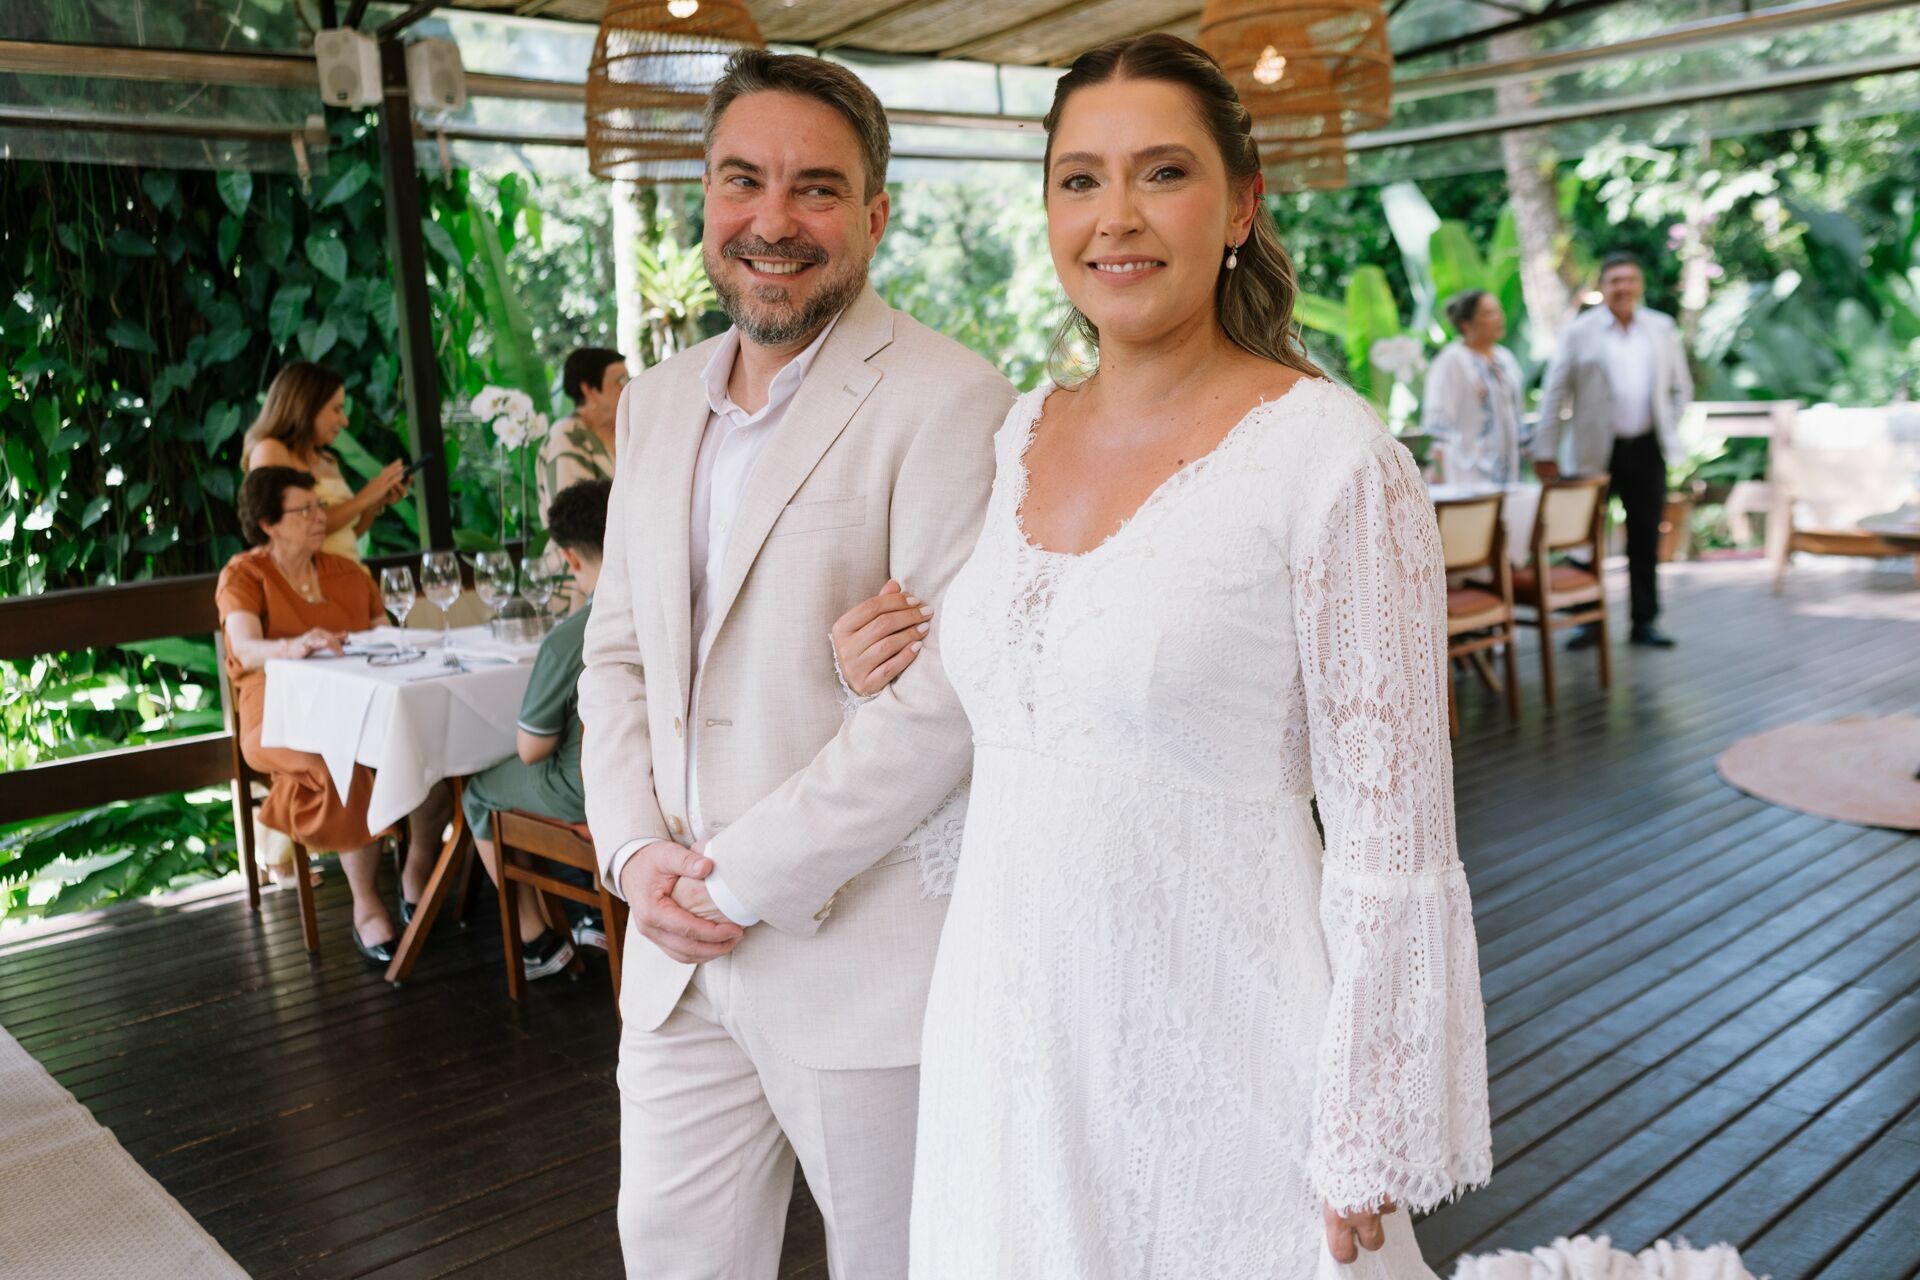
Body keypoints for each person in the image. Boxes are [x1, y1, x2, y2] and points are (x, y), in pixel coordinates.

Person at [830, 35, 1491, 1278]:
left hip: (1224, 1040)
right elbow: (1033, 710)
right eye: (1079, 179)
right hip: (1011, 1028)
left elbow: (1395, 836)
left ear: (1242, 203)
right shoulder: (1021, 428)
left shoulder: (1335, 460)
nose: (1115, 217)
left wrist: (1366, 1123)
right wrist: (881, 663)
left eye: (1163, 173)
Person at [576, 50, 1015, 1280]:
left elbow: (942, 707)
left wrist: (741, 877)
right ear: (703, 199)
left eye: (817, 189)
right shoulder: (656, 401)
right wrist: (632, 853)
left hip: (862, 965)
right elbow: (616, 652)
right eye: (743, 182)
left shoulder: (953, 398)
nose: (773, 221)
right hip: (671, 955)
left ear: (875, 214)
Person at [216, 466, 453, 965]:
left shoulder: (349, 574)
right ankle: (366, 907)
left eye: (320, 507)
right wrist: (294, 645)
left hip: (362, 704)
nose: (320, 517)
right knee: (341, 763)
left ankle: (418, 866)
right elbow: (245, 648)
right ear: (268, 523)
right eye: (304, 510)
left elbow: (386, 638)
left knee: (434, 746)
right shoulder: (244, 574)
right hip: (275, 715)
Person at [460, 478, 611, 982]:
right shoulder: (670, 610)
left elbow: (531, 749)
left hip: (586, 792)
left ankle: (536, 940)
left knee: (479, 791)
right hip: (657, 776)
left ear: (570, 559)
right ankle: (596, 916)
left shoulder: (569, 639)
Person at [1532, 252, 1694, 649]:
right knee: (1584, 539)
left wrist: (1667, 424)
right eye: (1615, 281)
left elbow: (1680, 389)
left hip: (1646, 448)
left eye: (1630, 280)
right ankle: (1586, 620)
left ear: (1639, 286)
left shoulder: (1660, 327)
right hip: (1592, 453)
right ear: (1601, 287)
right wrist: (1545, 448)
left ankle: (1645, 621)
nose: (1623, 288)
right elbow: (1555, 393)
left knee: (1644, 537)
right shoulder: (1579, 332)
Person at [241, 362, 408, 563]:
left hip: (347, 576)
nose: (345, 421)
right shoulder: (270, 450)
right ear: (307, 407)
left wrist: (375, 501)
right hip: (310, 586)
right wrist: (366, 496)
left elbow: (346, 536)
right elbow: (290, 527)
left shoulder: (327, 460)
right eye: (336, 410)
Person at [1424, 289, 1524, 488]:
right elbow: (1438, 422)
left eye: (1498, 311)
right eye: (1488, 313)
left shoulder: (1505, 359)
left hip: (1508, 470)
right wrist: (1437, 473)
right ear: (1466, 324)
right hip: (1466, 471)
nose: (1499, 318)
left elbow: (1517, 414)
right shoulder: (1451, 361)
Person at [536, 347, 626, 523]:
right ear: (588, 390)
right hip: (585, 550)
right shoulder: (567, 437)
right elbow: (572, 522)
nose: (627, 387)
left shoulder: (624, 432)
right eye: (619, 381)